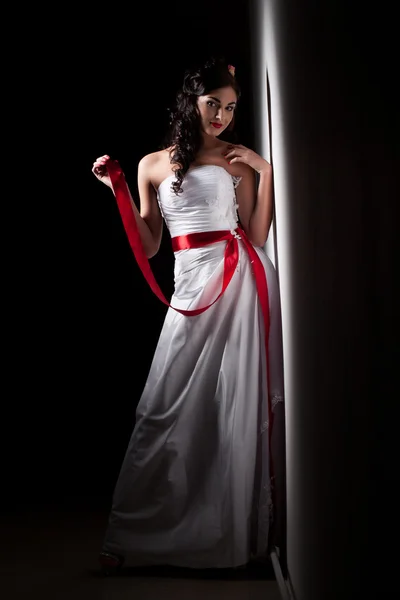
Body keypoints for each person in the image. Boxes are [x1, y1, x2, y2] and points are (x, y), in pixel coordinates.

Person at [92, 56, 285, 574]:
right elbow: (152, 243)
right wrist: (117, 189)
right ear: (190, 101)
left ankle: (222, 533)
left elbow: (259, 234)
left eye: (229, 108)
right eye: (212, 104)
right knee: (161, 406)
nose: (221, 115)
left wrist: (263, 171)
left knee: (228, 405)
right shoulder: (152, 164)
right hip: (188, 282)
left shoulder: (237, 159)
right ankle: (134, 532)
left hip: (235, 284)